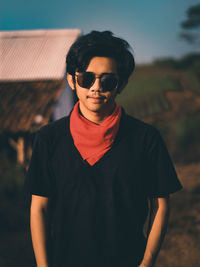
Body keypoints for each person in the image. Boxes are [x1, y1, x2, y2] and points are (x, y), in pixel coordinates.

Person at [26, 31, 182, 267]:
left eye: (108, 80)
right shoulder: (49, 138)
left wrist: (147, 261)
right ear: (71, 80)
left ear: (122, 84)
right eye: (86, 79)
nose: (96, 88)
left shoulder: (145, 139)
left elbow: (160, 204)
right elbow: (39, 207)